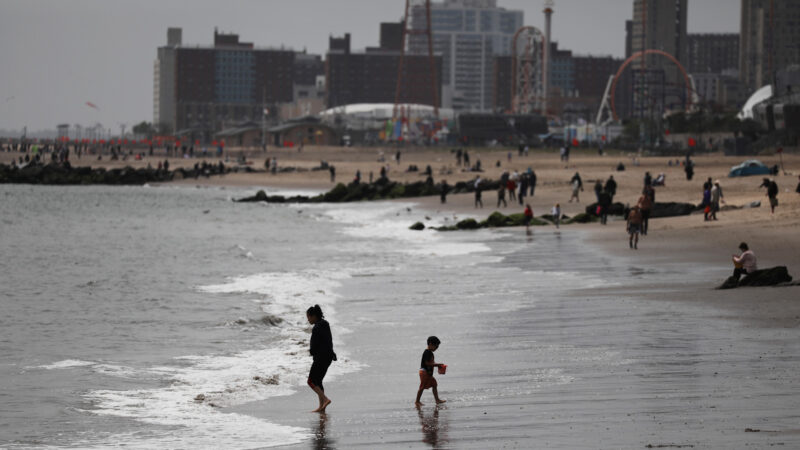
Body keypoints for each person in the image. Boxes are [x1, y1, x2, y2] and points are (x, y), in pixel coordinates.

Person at [306, 305, 336, 413]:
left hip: (320, 357)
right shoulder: (325, 324)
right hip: (328, 357)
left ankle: (325, 399)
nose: (308, 319)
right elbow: (329, 341)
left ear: (314, 316)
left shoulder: (317, 327)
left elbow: (313, 346)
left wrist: (311, 352)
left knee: (310, 381)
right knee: (318, 381)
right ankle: (321, 407)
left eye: (308, 317)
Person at [415, 336, 446, 407]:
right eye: (436, 346)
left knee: (434, 384)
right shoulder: (427, 352)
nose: (437, 348)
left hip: (428, 373)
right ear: (430, 344)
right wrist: (438, 365)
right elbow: (427, 363)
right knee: (422, 387)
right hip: (424, 372)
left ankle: (437, 400)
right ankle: (417, 401)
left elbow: (431, 363)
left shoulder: (430, 353)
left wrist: (437, 366)